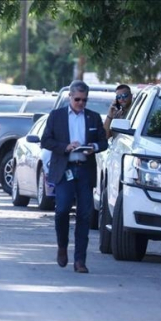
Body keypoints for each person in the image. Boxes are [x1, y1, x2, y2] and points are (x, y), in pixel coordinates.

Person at [41, 80, 108, 273]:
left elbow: (103, 142)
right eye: (77, 99)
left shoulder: (93, 118)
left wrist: (93, 147)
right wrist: (65, 147)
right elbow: (46, 140)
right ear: (70, 97)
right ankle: (62, 246)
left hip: (85, 169)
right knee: (62, 210)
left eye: (84, 100)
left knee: (84, 215)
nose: (80, 103)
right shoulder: (57, 116)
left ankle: (80, 260)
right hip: (65, 169)